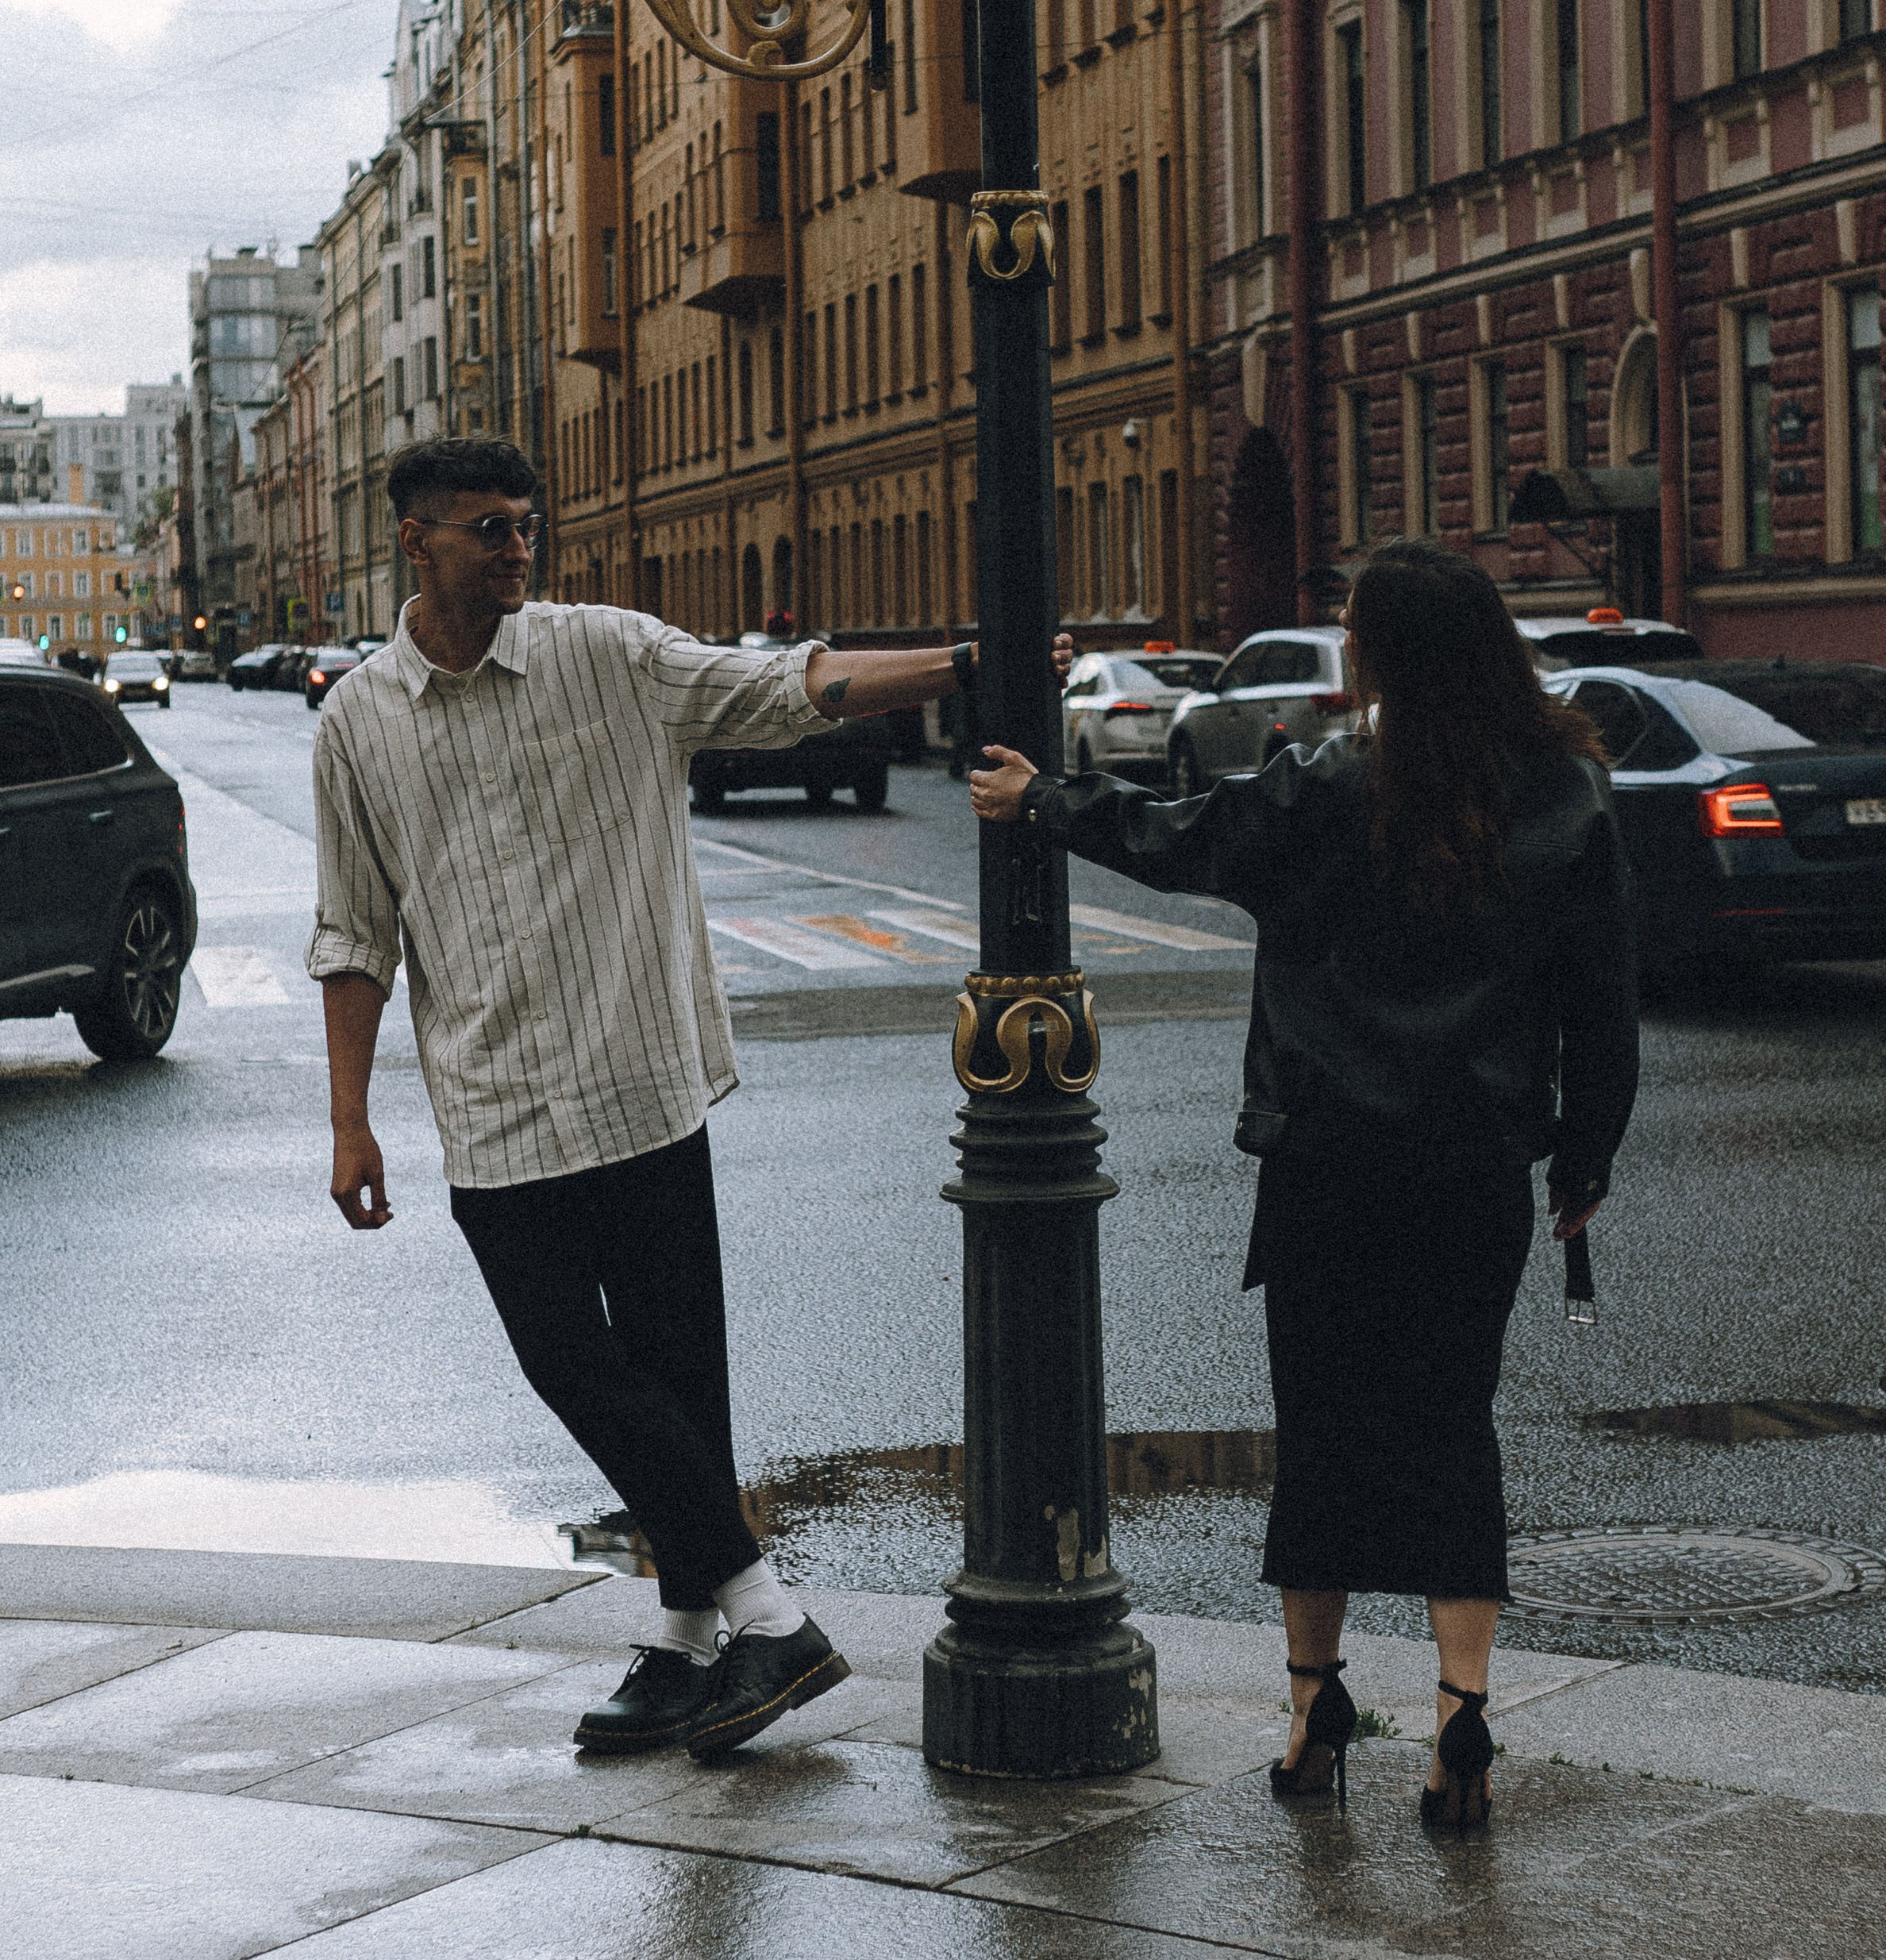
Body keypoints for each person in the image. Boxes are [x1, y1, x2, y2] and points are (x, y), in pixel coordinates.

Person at [310, 434, 1065, 1762]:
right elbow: (354, 934)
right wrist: (350, 1118)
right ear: (416, 542)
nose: (518, 548)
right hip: (494, 1102)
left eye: (526, 523)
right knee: (569, 1365)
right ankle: (760, 1617)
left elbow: (788, 687)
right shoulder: (358, 722)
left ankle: (690, 1643)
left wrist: (964, 665)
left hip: (641, 1078)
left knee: (674, 1380)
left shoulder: (607, 653)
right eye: (489, 528)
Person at [971, 537, 1638, 1828]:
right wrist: (1587, 1153)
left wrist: (1044, 800)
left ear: (1382, 655)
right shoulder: (1566, 794)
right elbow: (1604, 999)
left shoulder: (1331, 786)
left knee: (1321, 1434)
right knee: (1453, 1431)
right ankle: (1462, 1718)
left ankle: (1312, 1714)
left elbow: (1180, 838)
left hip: (1326, 1162)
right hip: (1474, 1168)